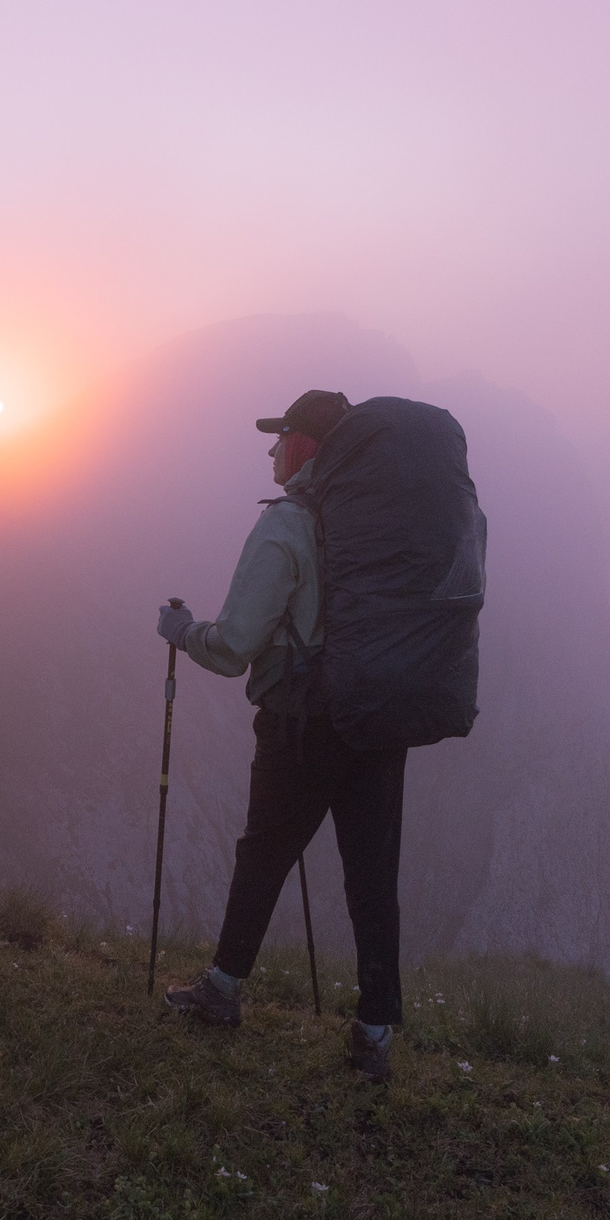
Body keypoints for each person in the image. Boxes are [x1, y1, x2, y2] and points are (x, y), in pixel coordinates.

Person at [155, 387, 407, 1082]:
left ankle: (222, 992)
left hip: (304, 725)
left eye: (281, 436)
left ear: (304, 448)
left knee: (264, 853)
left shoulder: (288, 525)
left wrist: (182, 632)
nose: (270, 449)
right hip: (382, 721)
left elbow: (235, 644)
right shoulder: (384, 523)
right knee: (372, 877)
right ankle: (375, 1033)